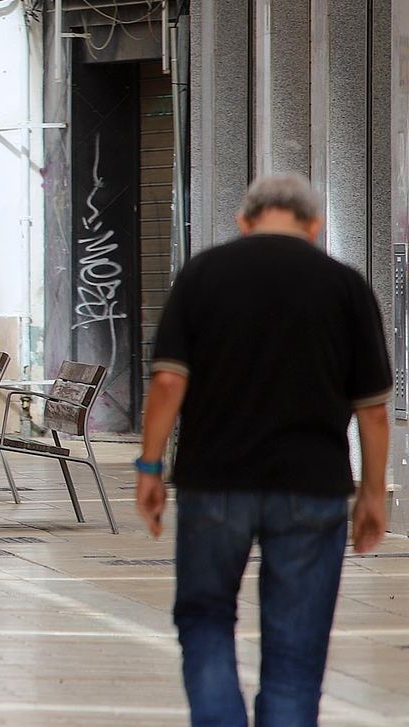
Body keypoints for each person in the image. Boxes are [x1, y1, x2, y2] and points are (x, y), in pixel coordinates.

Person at [137, 174, 391, 727]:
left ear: (244, 221)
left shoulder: (202, 275)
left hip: (215, 483)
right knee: (296, 650)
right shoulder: (345, 287)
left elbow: (168, 383)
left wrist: (149, 466)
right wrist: (373, 493)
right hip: (313, 487)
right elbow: (372, 408)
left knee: (204, 619)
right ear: (315, 225)